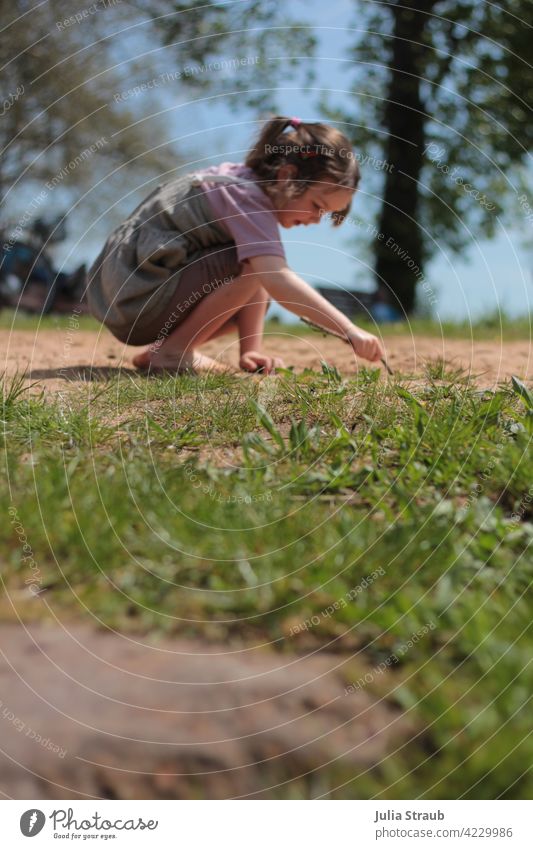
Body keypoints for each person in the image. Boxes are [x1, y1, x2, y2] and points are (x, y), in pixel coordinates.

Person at [86, 115, 385, 374]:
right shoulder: (246, 196)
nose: (316, 220)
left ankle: (173, 350)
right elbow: (273, 277)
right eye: (317, 205)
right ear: (286, 177)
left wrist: (249, 351)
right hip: (136, 296)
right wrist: (348, 329)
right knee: (262, 268)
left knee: (259, 265)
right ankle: (172, 352)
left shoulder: (239, 182)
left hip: (131, 295)